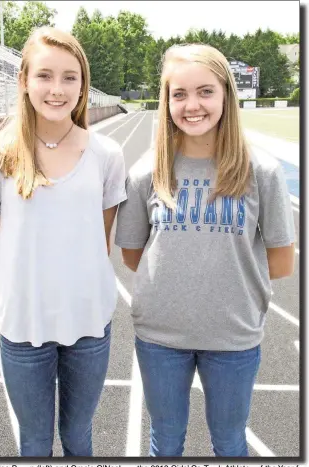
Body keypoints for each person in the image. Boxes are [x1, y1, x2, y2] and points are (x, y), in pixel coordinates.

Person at [115, 44, 295, 457]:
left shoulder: (260, 171)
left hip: (233, 336)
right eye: (179, 94)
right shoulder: (147, 172)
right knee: (166, 440)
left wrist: (223, 284)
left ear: (226, 95)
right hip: (160, 336)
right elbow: (132, 253)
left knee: (230, 442)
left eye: (204, 92)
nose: (191, 105)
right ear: (166, 101)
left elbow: (281, 260)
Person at [0, 26, 127, 457]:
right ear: (23, 80)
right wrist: (18, 294)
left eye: (69, 77)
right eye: (44, 76)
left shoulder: (107, 155)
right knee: (35, 443)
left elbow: (101, 239)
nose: (57, 89)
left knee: (79, 437)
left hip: (89, 327)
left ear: (82, 84)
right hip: (22, 330)